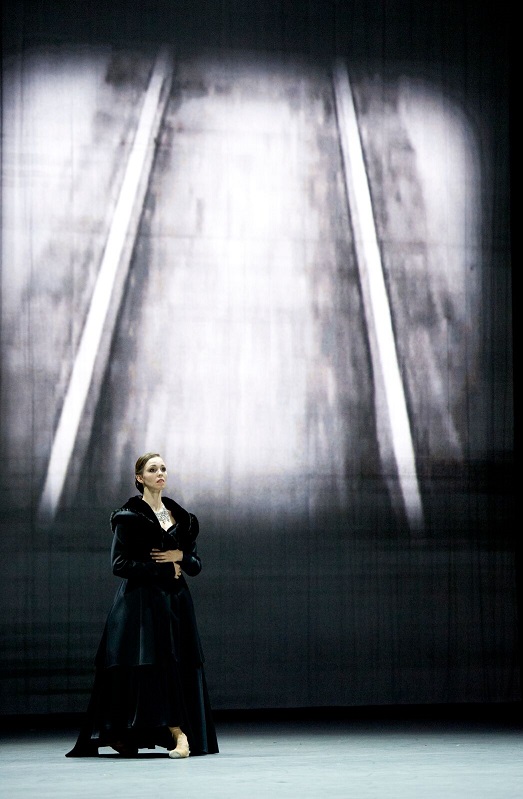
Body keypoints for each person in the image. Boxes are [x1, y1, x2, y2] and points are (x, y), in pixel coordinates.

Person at [66, 452, 218, 758]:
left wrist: (180, 557)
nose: (160, 473)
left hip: (175, 605)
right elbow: (119, 564)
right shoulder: (129, 517)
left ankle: (173, 734)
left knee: (175, 666)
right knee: (148, 668)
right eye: (152, 469)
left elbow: (195, 565)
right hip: (141, 606)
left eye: (163, 468)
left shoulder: (182, 519)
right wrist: (162, 569)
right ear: (140, 478)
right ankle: (171, 734)